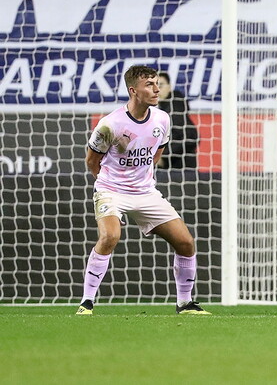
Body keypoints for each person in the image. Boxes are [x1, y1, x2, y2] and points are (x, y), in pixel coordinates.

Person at [78, 65, 209, 315]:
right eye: (149, 84)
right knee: (110, 237)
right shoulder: (110, 124)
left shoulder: (162, 118)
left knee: (185, 242)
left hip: (145, 193)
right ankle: (86, 302)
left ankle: (185, 303)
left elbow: (156, 153)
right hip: (111, 190)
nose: (156, 89)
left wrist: (140, 179)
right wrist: (107, 184)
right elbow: (91, 161)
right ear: (133, 91)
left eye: (156, 83)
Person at [156, 72, 199, 170]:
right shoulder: (165, 108)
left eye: (161, 85)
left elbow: (191, 136)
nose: (156, 90)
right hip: (176, 170)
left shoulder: (174, 107)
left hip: (181, 170)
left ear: (169, 87)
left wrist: (164, 156)